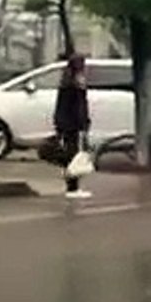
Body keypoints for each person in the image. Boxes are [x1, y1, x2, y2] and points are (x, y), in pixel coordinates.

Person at [53, 53, 92, 199]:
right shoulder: (75, 84)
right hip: (73, 125)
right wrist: (84, 124)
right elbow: (79, 108)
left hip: (67, 124)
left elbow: (61, 107)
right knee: (74, 155)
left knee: (72, 154)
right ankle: (72, 187)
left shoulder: (66, 82)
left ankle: (72, 185)